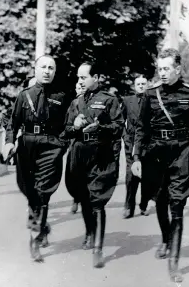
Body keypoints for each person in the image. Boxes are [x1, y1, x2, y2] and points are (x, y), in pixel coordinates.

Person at [131, 49, 189, 283]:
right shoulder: (150, 95)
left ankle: (174, 262)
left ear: (177, 69)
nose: (162, 73)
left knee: (177, 204)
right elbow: (141, 128)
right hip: (156, 152)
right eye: (159, 68)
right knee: (160, 200)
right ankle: (165, 239)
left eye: (166, 68)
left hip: (181, 151)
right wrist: (137, 157)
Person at [1, 55, 69, 262]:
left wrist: (61, 144)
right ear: (36, 69)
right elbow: (12, 123)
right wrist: (10, 142)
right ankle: (41, 225)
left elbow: (67, 124)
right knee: (31, 190)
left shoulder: (61, 96)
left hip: (50, 146)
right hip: (27, 145)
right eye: (43, 67)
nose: (47, 71)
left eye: (51, 68)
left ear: (54, 72)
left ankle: (35, 237)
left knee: (43, 189)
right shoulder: (24, 95)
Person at [64, 61, 124, 268]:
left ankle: (98, 248)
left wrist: (100, 127)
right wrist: (75, 126)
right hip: (79, 153)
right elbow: (66, 130)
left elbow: (118, 127)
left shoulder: (109, 100)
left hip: (100, 153)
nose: (79, 81)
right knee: (83, 197)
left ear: (96, 77)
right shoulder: (76, 102)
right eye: (78, 78)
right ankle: (90, 232)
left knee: (97, 200)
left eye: (83, 77)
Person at [121, 74, 149, 218]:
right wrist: (125, 136)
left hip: (147, 143)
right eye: (138, 84)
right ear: (134, 86)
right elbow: (120, 120)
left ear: (147, 85)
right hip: (130, 142)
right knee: (130, 175)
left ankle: (143, 205)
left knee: (146, 175)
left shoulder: (152, 101)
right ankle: (128, 206)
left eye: (144, 84)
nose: (141, 86)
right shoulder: (127, 100)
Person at [68, 83, 84, 214]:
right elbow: (69, 122)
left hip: (92, 142)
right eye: (78, 88)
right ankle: (76, 199)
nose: (81, 90)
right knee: (74, 173)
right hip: (76, 142)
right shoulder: (74, 103)